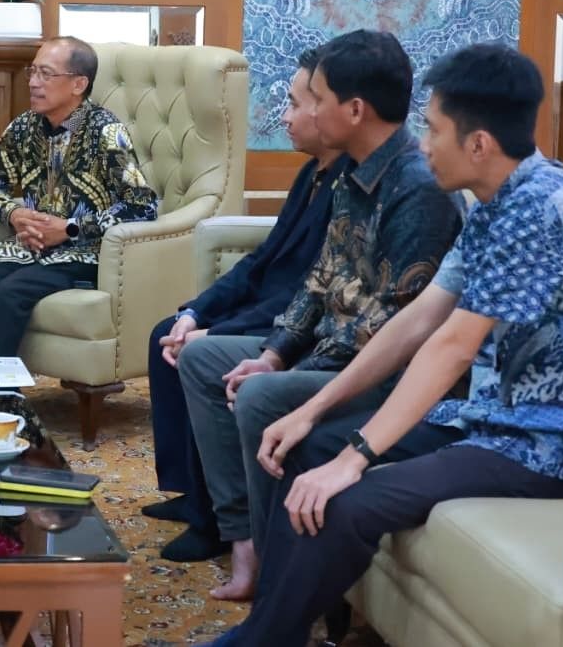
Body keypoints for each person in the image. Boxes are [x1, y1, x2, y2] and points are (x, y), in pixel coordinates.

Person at [202, 43, 563, 647]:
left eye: (434, 130)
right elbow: (418, 320)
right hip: (490, 417)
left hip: (547, 443)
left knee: (346, 498)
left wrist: (356, 456)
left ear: (478, 144)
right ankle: (280, 630)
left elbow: (452, 346)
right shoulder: (499, 200)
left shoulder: (539, 209)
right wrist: (312, 411)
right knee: (306, 447)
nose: (423, 145)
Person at [179, 29, 464, 599]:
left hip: (383, 373)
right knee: (203, 359)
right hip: (330, 352)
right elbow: (319, 279)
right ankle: (243, 535)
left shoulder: (418, 190)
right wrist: (272, 354)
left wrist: (287, 370)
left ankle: (278, 577)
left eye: (316, 98)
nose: (304, 111)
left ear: (354, 110)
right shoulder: (351, 173)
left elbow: (392, 325)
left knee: (260, 396)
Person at [144, 46, 351, 563]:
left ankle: (215, 519)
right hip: (267, 307)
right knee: (165, 332)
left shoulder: (349, 185)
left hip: (295, 324)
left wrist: (214, 333)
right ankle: (194, 492)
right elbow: (261, 262)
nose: (284, 116)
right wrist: (196, 311)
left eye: (295, 103)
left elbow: (306, 292)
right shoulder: (312, 173)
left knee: (194, 352)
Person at [0, 36, 158, 357]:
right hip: (27, 247)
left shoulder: (106, 131)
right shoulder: (23, 126)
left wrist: (70, 228)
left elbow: (142, 206)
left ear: (78, 84)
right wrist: (13, 214)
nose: (33, 82)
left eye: (46, 74)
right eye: (33, 72)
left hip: (84, 253)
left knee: (8, 294)